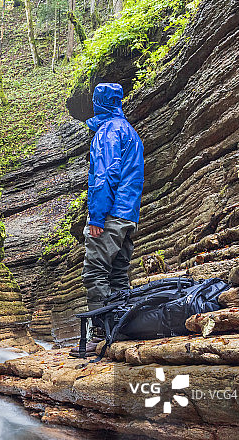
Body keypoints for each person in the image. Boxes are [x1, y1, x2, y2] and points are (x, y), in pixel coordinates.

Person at [83, 83, 144, 313]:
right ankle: (119, 329)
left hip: (111, 215)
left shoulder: (108, 132)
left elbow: (104, 176)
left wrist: (97, 217)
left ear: (98, 104)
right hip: (129, 214)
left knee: (96, 272)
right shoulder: (130, 132)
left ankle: (99, 332)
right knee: (118, 275)